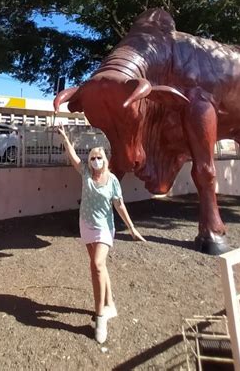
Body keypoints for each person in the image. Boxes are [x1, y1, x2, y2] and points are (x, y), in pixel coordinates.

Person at [56, 123, 146, 344]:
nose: (95, 161)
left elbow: (120, 205)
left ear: (105, 159)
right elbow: (73, 156)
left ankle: (100, 317)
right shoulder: (85, 172)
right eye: (93, 157)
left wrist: (132, 228)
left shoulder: (113, 180)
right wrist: (66, 138)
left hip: (105, 228)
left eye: (99, 157)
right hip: (85, 225)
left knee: (96, 265)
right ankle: (111, 304)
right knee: (101, 268)